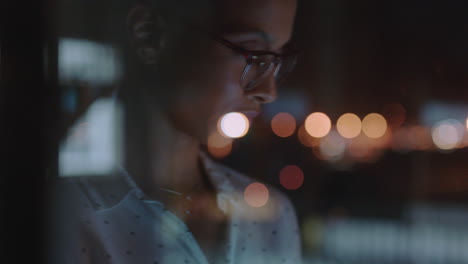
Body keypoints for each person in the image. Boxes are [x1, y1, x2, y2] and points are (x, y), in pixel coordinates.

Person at [53, 0, 302, 263]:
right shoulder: (61, 212)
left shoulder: (272, 217)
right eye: (253, 55)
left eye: (277, 60)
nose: (268, 91)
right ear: (149, 36)